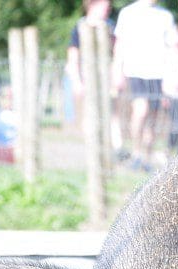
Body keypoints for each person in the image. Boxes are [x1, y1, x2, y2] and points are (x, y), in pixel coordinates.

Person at [112, 0, 177, 171]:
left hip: (158, 73)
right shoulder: (127, 14)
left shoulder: (165, 16)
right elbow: (119, 45)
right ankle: (136, 152)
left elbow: (172, 48)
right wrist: (117, 69)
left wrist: (171, 75)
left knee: (153, 117)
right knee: (141, 110)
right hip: (135, 71)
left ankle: (145, 155)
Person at [66, 0, 124, 156]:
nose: (108, 8)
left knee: (112, 112)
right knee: (89, 112)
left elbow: (117, 53)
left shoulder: (110, 26)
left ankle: (116, 148)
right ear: (92, 5)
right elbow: (73, 56)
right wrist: (77, 80)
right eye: (104, 4)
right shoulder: (80, 27)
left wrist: (117, 74)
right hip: (88, 76)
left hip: (107, 76)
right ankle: (94, 149)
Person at [161, 28, 178, 155]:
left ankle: (177, 149)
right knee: (174, 122)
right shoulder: (166, 56)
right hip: (170, 93)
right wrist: (164, 95)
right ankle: (170, 147)